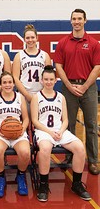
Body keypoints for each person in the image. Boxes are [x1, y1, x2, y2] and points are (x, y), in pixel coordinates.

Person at [30, 65, 91, 202]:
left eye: (51, 79)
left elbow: (66, 119)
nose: (48, 82)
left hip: (60, 130)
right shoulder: (36, 97)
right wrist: (50, 132)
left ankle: (76, 184)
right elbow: (34, 120)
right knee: (45, 149)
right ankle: (43, 185)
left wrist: (61, 131)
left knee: (80, 148)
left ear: (56, 80)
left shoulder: (61, 97)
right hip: (43, 131)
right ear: (41, 80)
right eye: (46, 79)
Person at [54, 8, 100, 175]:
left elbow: (97, 67)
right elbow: (58, 65)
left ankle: (93, 160)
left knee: (91, 126)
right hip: (68, 87)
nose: (77, 21)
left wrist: (84, 86)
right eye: (74, 19)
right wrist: (68, 84)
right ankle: (70, 156)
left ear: (85, 21)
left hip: (88, 88)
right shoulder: (63, 43)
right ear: (71, 21)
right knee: (68, 124)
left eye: (80, 18)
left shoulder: (94, 43)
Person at [0, 71, 30, 198]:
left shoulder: (20, 97)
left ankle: (20, 176)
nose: (7, 85)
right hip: (1, 132)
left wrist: (22, 129)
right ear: (0, 84)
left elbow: (26, 118)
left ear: (14, 84)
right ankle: (0, 177)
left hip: (18, 132)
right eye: (4, 82)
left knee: (25, 152)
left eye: (10, 82)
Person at [12, 24, 51, 104]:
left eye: (32, 37)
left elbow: (49, 77)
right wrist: (27, 95)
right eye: (27, 38)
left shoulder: (44, 55)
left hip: (41, 95)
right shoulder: (19, 55)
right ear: (24, 39)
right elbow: (15, 78)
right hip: (24, 95)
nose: (30, 40)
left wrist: (42, 94)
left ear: (37, 38)